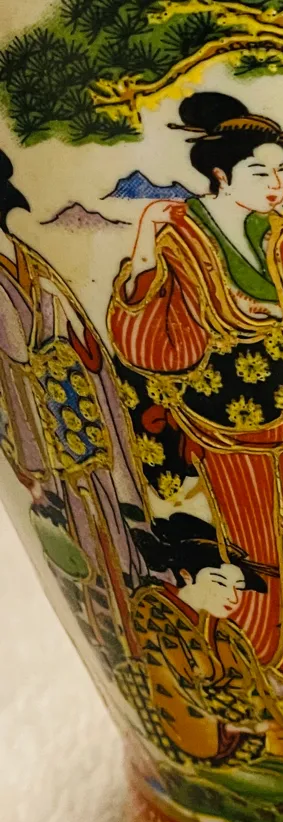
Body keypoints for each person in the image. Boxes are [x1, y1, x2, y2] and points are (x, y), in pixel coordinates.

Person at [109, 93, 283, 685]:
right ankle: (253, 654)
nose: (277, 184)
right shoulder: (182, 236)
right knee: (253, 540)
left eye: (281, 170)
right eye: (261, 172)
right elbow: (151, 342)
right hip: (225, 424)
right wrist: (143, 247)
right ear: (220, 173)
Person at [0, 148, 144, 657]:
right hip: (42, 431)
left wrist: (83, 350)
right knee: (80, 531)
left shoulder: (29, 261)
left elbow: (73, 330)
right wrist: (30, 463)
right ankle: (118, 630)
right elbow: (15, 363)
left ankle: (133, 609)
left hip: (80, 416)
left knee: (107, 517)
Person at [129, 513, 283, 761]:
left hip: (243, 730)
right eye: (220, 583)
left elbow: (257, 693)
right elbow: (170, 690)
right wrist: (248, 735)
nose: (233, 597)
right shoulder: (154, 611)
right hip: (199, 735)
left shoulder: (223, 630)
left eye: (238, 587)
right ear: (186, 575)